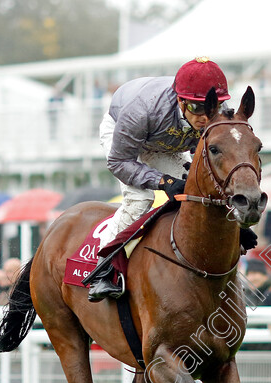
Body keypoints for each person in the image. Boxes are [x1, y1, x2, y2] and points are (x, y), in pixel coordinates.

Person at [84, 57, 257, 301]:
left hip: (165, 143)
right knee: (140, 197)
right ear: (180, 100)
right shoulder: (141, 110)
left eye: (211, 106)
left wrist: (235, 224)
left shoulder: (208, 117)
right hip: (125, 139)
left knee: (196, 190)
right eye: (197, 108)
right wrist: (163, 182)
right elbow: (119, 162)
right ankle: (103, 267)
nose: (205, 117)